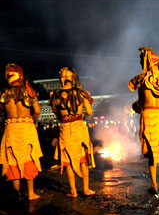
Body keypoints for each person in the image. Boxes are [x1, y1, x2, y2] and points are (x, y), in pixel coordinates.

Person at [128, 47, 159, 194]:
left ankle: (154, 185)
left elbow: (140, 102)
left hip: (149, 115)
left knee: (152, 152)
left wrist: (135, 106)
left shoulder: (142, 78)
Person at [49, 67, 95, 197]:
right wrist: (83, 117)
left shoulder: (56, 94)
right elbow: (89, 112)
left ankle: (73, 191)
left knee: (67, 160)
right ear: (74, 78)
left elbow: (56, 114)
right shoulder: (82, 93)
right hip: (79, 127)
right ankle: (86, 189)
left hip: (65, 128)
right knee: (82, 160)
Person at [0, 63, 43, 200]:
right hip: (26, 127)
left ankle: (16, 193)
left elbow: (3, 113)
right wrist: (34, 121)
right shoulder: (28, 91)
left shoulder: (4, 93)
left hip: (11, 128)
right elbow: (36, 111)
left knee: (12, 159)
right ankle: (30, 194)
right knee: (28, 158)